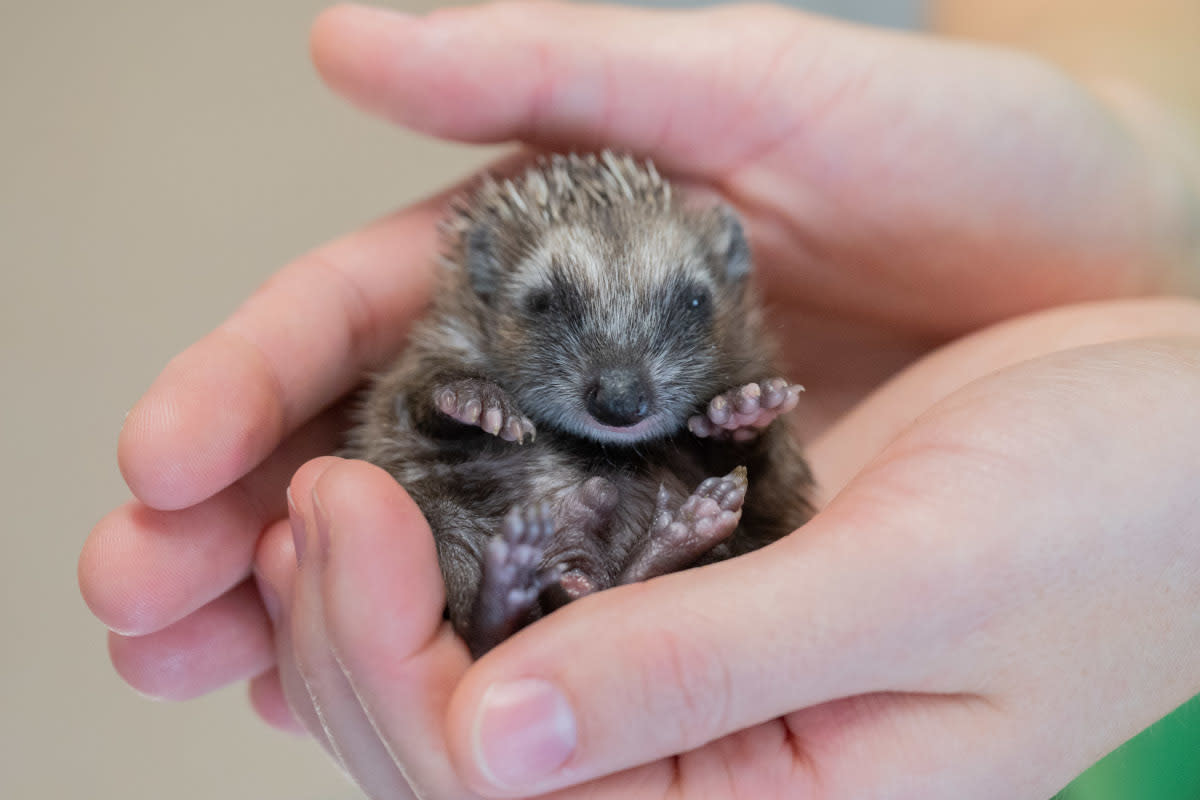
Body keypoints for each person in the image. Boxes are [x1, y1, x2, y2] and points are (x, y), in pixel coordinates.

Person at [79, 2, 1200, 798]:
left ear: (728, 277)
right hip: (507, 524)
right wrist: (1156, 194)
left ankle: (647, 560)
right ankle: (567, 582)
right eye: (552, 308)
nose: (620, 377)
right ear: (477, 292)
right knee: (424, 496)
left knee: (750, 501)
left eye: (678, 312)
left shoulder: (739, 382)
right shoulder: (456, 366)